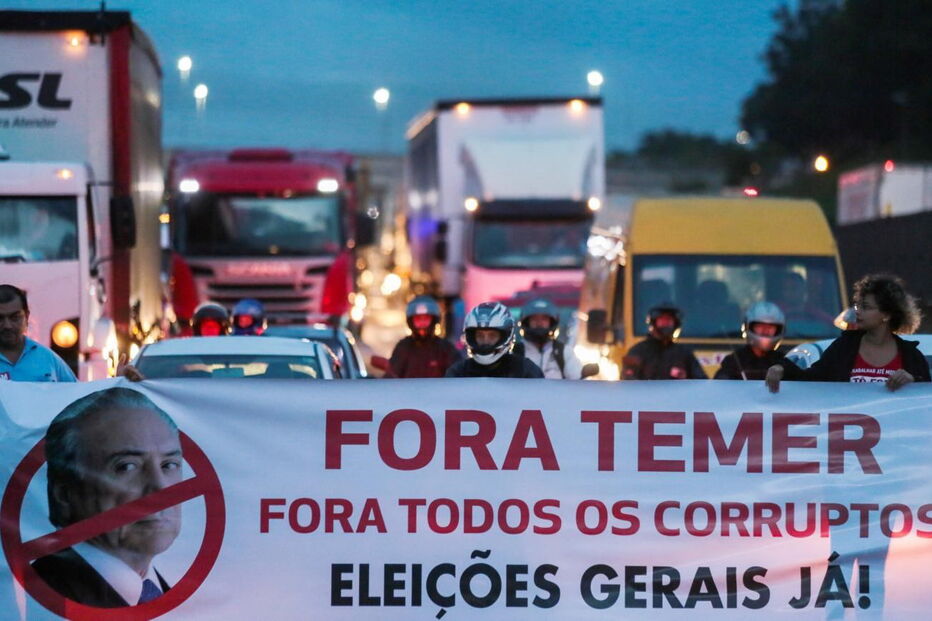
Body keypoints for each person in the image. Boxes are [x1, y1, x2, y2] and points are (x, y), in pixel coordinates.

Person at [32, 387, 182, 607]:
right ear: (65, 494)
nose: (160, 487)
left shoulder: (176, 596)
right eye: (127, 466)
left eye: (169, 465)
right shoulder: (34, 595)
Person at [766, 273, 930, 391]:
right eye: (858, 305)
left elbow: (925, 403)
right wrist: (782, 368)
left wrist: (914, 382)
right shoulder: (843, 348)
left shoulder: (910, 356)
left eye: (866, 307)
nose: (857, 312)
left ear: (886, 315)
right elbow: (811, 381)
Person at [445, 302, 543, 378]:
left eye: (492, 336)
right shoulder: (458, 372)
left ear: (505, 336)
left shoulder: (525, 370)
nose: (486, 341)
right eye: (480, 336)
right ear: (471, 337)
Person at [0, 284, 76, 382]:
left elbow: (77, 394)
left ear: (27, 317)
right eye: (0, 318)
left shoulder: (48, 359)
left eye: (15, 317)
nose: (8, 325)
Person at [622, 302, 706, 380]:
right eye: (662, 321)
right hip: (646, 395)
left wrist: (685, 378)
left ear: (675, 325)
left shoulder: (684, 353)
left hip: (676, 395)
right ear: (654, 324)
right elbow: (628, 381)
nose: (666, 325)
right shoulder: (637, 351)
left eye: (669, 321)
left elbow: (701, 381)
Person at [389, 295, 461, 378]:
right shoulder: (403, 347)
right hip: (409, 391)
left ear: (434, 321)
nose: (422, 324)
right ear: (411, 322)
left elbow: (458, 376)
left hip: (438, 390)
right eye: (418, 319)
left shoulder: (445, 348)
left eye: (426, 319)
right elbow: (391, 376)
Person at [714, 301, 786, 380]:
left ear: (779, 330)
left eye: (771, 327)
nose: (765, 331)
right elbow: (720, 387)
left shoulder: (785, 363)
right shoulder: (734, 362)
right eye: (760, 326)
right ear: (748, 327)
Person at [518, 297, 584, 379]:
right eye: (534, 319)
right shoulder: (515, 352)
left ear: (552, 322)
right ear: (526, 322)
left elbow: (577, 381)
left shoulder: (563, 352)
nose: (539, 323)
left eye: (544, 319)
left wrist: (584, 374)